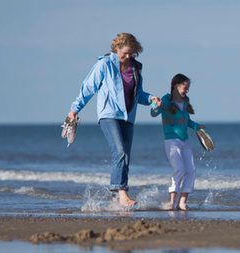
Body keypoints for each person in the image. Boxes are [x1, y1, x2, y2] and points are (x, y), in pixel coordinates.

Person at [67, 33, 160, 207]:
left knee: (124, 156)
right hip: (108, 115)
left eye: (131, 54)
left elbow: (138, 94)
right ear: (116, 48)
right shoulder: (104, 64)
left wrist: (151, 99)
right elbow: (88, 88)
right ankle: (123, 193)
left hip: (128, 117)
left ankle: (116, 198)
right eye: (124, 53)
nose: (127, 57)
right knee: (120, 152)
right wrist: (74, 109)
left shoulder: (136, 68)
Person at [150, 73, 205, 211]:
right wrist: (156, 105)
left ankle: (182, 202)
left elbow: (186, 121)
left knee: (191, 170)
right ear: (176, 85)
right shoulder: (166, 99)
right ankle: (172, 202)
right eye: (185, 86)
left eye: (188, 87)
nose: (187, 90)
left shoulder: (186, 101)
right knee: (179, 169)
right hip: (171, 141)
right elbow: (154, 113)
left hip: (185, 141)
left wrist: (197, 127)